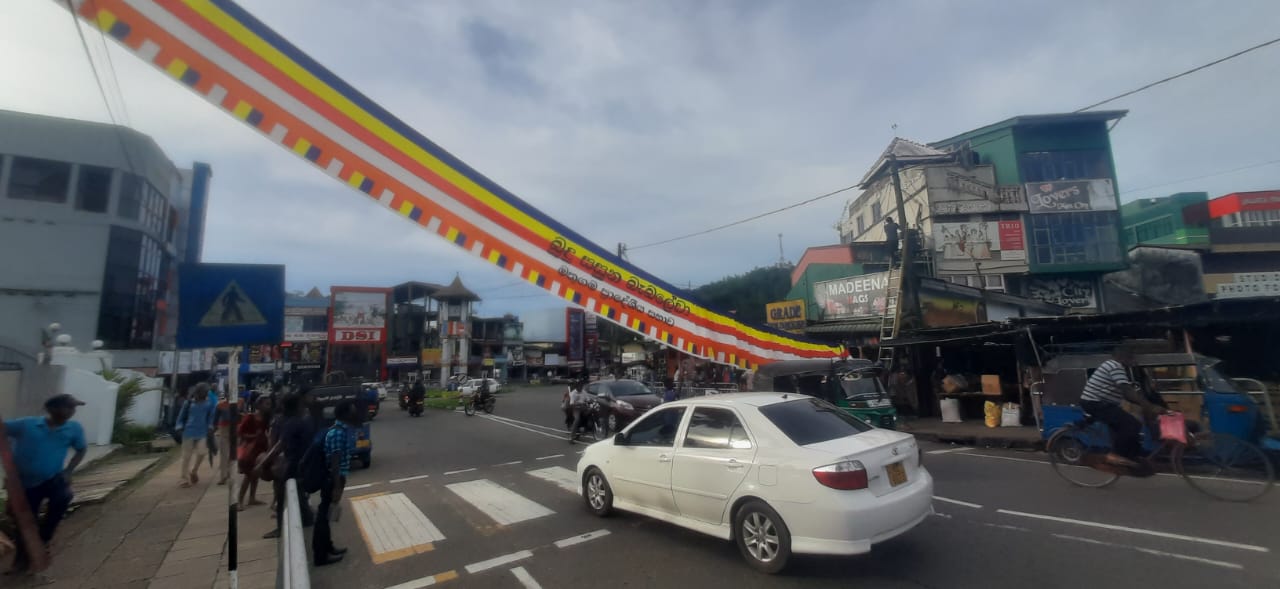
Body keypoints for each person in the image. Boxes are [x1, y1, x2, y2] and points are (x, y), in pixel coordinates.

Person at [3, 394, 87, 575]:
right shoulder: (27, 425)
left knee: (64, 497)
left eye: (73, 408)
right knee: (24, 521)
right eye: (68, 407)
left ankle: (44, 538)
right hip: (25, 483)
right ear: (51, 409)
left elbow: (81, 449)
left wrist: (68, 471)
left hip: (53, 478)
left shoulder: (73, 429)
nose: (71, 412)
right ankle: (21, 561)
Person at [1080, 348, 1162, 467]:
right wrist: (1148, 406)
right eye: (1131, 358)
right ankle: (1115, 455)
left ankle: (1133, 454)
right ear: (1124, 358)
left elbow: (1128, 394)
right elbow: (1127, 391)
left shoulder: (1113, 366)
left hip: (1100, 403)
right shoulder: (1115, 366)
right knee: (1133, 425)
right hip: (1096, 403)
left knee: (1123, 427)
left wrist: (1143, 403)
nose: (1133, 361)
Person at [259, 391, 315, 539]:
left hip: (294, 464)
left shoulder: (291, 423)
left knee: (282, 494)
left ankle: (280, 527)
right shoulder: (305, 420)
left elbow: (279, 446)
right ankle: (307, 517)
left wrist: (263, 463)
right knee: (298, 491)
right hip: (304, 462)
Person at [314, 401, 358, 567]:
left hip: (336, 479)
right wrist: (337, 486)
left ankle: (328, 547)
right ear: (345, 413)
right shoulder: (338, 433)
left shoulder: (341, 430)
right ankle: (321, 555)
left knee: (326, 514)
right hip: (333, 480)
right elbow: (335, 461)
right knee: (324, 516)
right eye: (352, 408)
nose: (355, 411)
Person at [176, 383, 216, 487]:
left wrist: (211, 426)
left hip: (202, 432)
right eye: (205, 391)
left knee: (202, 452)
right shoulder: (188, 403)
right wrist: (179, 427)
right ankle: (184, 479)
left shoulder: (209, 403)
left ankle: (194, 470)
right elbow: (181, 417)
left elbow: (211, 417)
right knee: (186, 456)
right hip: (188, 432)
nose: (206, 393)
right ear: (199, 391)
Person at [236, 396, 272, 511]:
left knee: (255, 475)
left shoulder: (266, 418)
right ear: (259, 405)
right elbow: (240, 433)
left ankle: (252, 497)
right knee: (248, 475)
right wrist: (254, 436)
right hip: (250, 450)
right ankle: (239, 501)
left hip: (260, 449)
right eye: (266, 404)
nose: (268, 406)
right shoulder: (250, 417)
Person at [213, 392, 234, 485]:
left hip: (235, 430)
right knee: (224, 453)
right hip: (224, 429)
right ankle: (223, 476)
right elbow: (215, 419)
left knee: (233, 454)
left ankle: (230, 473)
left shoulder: (240, 402)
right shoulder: (220, 405)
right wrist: (213, 430)